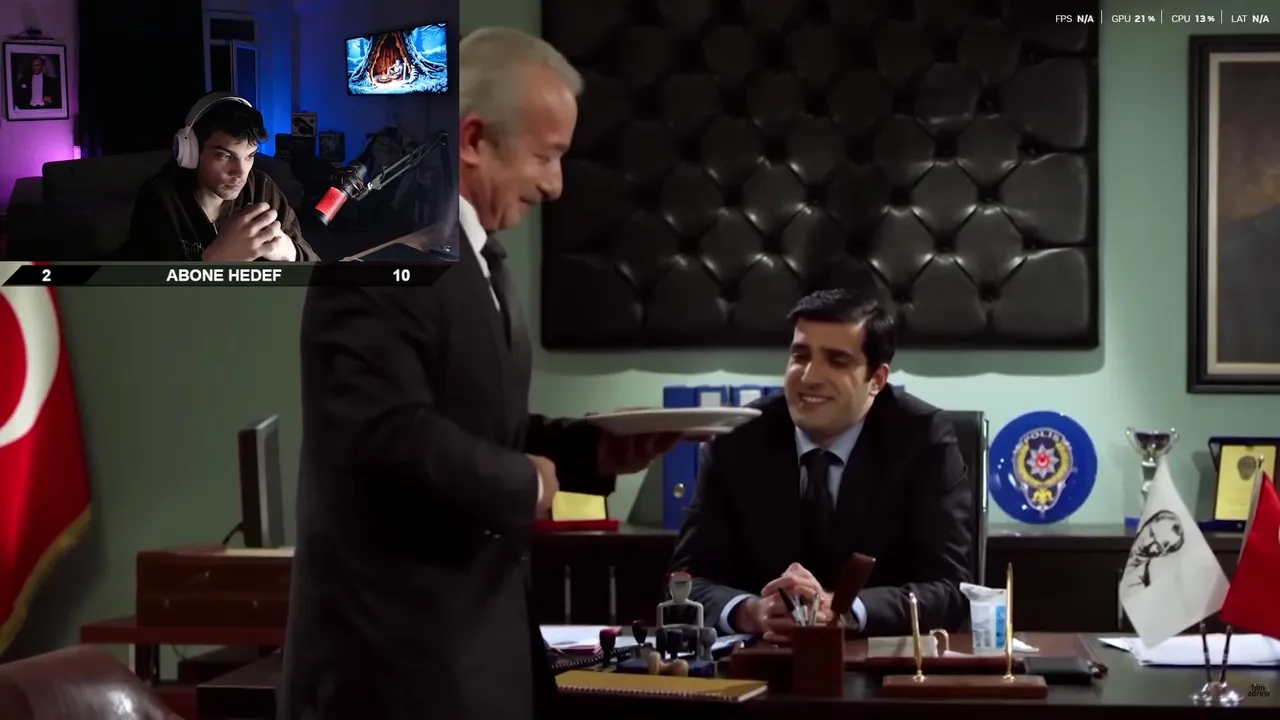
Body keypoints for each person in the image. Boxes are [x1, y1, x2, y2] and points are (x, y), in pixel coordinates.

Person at [278, 28, 678, 720]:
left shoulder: (476, 253)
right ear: (472, 140)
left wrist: (591, 452)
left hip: (469, 663)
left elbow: (472, 422)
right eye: (546, 156)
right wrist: (528, 483)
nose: (555, 185)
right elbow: (386, 435)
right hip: (391, 677)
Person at [668, 288, 973, 641]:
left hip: (878, 661)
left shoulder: (923, 439)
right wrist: (752, 612)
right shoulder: (737, 437)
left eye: (837, 361)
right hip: (761, 658)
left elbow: (950, 589)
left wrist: (843, 611)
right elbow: (686, 580)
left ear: (876, 380)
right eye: (800, 356)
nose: (810, 376)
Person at [115, 93, 319, 262]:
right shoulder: (161, 200)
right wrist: (217, 259)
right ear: (191, 151)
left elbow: (315, 268)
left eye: (249, 156)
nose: (241, 173)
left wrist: (288, 251)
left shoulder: (262, 189)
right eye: (225, 156)